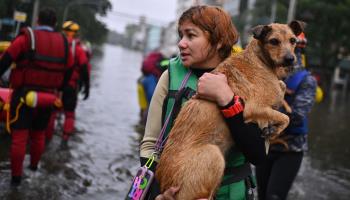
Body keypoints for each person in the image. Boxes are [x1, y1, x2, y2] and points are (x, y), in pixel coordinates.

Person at [139, 5, 267, 199]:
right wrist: (164, 191)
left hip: (230, 192)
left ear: (218, 42)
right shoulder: (170, 76)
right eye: (180, 36)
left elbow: (258, 154)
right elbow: (151, 145)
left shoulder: (250, 80)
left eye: (191, 36)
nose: (181, 43)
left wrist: (227, 100)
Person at [0, 8, 74, 186]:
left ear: (38, 21)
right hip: (48, 97)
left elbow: (6, 60)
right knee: (39, 134)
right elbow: (70, 69)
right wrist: (60, 89)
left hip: (24, 96)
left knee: (19, 137)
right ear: (55, 24)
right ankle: (33, 169)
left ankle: (16, 179)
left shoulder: (26, 38)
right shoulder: (64, 43)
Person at [255, 32, 317, 200]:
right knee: (260, 195)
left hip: (290, 149)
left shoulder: (307, 81)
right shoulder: (266, 75)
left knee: (274, 196)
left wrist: (265, 112)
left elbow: (297, 116)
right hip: (267, 146)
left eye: (292, 46)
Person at [55, 20, 90, 145]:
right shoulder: (79, 49)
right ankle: (65, 139)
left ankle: (46, 137)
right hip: (70, 86)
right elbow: (85, 68)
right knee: (69, 114)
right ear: (75, 33)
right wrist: (87, 86)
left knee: (51, 112)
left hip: (54, 85)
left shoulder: (56, 44)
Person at [137, 50, 168, 124]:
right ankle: (144, 128)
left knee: (143, 108)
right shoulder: (167, 61)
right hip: (149, 83)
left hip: (141, 82)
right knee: (150, 107)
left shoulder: (152, 59)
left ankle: (140, 125)